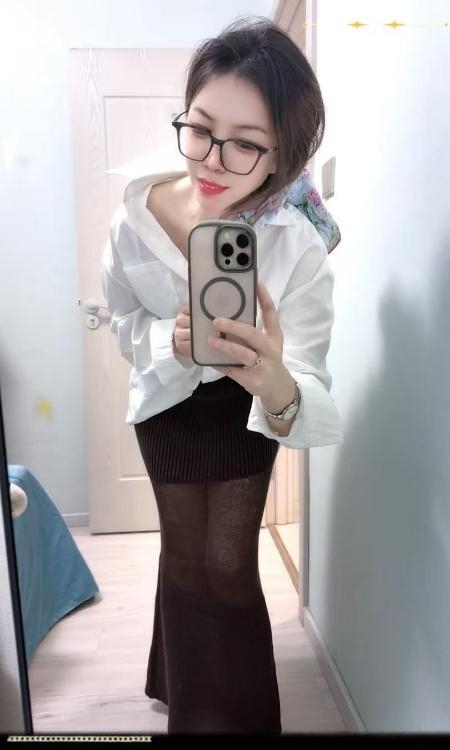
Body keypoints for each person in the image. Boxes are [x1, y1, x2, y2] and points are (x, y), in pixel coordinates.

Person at [101, 16, 342, 736]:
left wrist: (272, 377)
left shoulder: (297, 247)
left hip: (244, 412)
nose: (213, 159)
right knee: (183, 558)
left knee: (227, 565)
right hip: (165, 405)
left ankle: (243, 720)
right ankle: (183, 701)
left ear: (282, 155)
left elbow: (309, 390)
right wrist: (168, 342)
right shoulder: (133, 217)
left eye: (246, 143)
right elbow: (120, 323)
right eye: (201, 129)